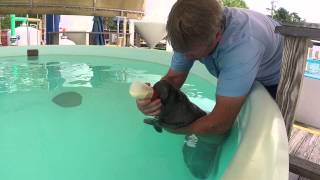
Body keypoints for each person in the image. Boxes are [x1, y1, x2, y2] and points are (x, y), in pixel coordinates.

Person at [137, 0, 283, 136]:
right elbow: (173, 79)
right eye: (181, 51)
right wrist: (151, 100)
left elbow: (219, 124)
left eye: (192, 54)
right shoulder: (190, 34)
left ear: (217, 36)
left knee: (261, 132)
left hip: (275, 77)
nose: (186, 57)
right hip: (243, 59)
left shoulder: (242, 47)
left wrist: (178, 130)